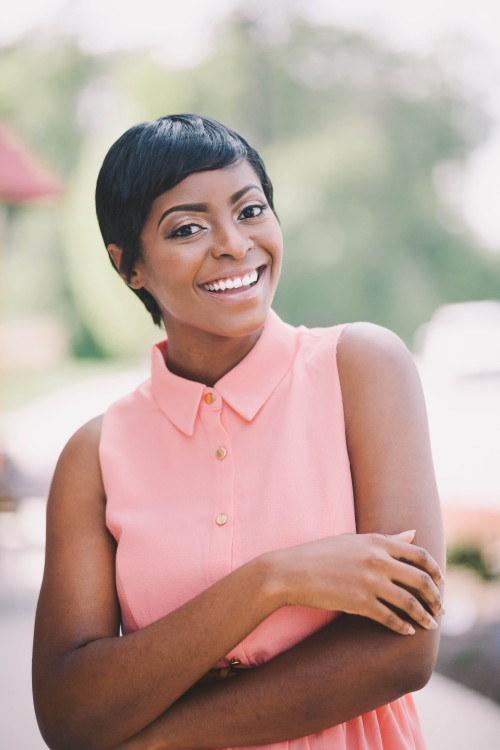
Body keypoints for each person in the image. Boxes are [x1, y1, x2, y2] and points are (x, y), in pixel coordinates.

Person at [32, 114, 445, 750]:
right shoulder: (97, 455)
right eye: (188, 228)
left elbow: (403, 650)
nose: (233, 244)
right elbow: (69, 712)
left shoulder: (360, 367)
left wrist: (152, 741)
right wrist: (269, 581)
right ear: (129, 267)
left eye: (251, 210)